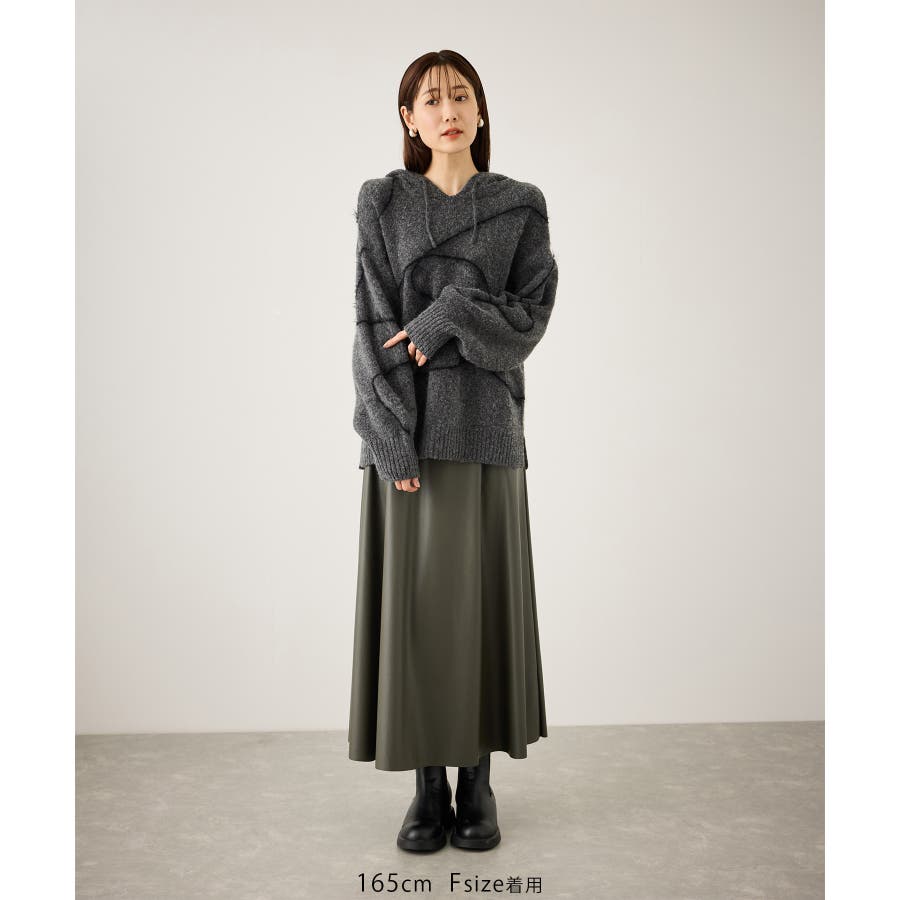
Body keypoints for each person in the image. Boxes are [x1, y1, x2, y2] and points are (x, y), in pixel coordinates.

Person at [347, 49, 558, 852]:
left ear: (480, 108)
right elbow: (370, 323)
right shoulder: (382, 202)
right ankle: (426, 786)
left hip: (487, 431)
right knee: (417, 616)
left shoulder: (518, 206)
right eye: (431, 100)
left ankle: (478, 781)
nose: (448, 111)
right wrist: (390, 438)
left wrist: (448, 315)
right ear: (408, 118)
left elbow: (527, 321)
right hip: (404, 433)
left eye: (460, 95)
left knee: (479, 610)